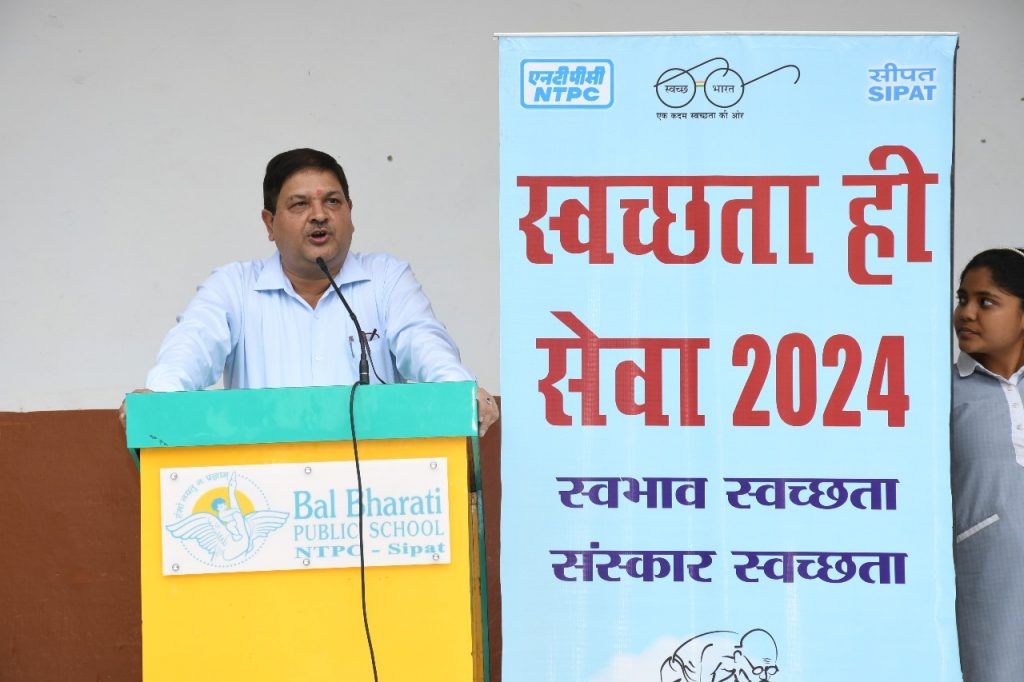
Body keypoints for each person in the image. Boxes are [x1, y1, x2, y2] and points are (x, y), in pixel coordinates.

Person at [120, 148, 498, 434]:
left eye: (332, 201)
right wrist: (160, 396)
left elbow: (423, 342)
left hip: (378, 493)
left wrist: (459, 390)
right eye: (300, 204)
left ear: (350, 212)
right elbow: (192, 346)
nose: (319, 215)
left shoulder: (386, 279)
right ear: (269, 223)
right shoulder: (234, 287)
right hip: (264, 484)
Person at [952, 247, 1024, 681]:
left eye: (987, 301)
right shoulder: (944, 395)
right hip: (985, 577)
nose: (967, 312)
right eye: (963, 299)